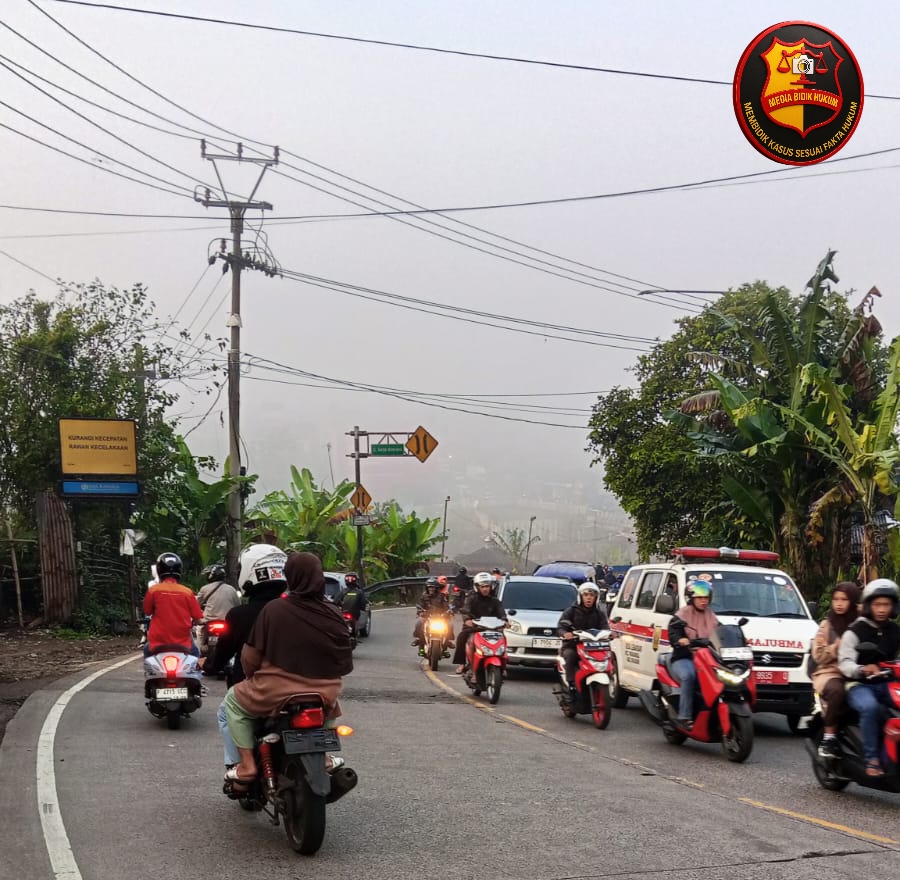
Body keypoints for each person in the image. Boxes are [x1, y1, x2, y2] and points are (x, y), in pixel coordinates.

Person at [222, 551, 353, 788]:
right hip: (325, 691)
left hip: (275, 690)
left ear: (290, 577)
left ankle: (247, 765)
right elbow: (345, 661)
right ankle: (324, 757)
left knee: (232, 702)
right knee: (332, 707)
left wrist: (251, 677)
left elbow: (250, 658)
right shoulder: (333, 612)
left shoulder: (275, 609)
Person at [205, 544, 288, 772]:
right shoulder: (298, 611)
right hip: (305, 688)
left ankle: (240, 765)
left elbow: (225, 655)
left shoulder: (241, 615)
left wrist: (210, 666)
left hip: (259, 691)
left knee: (226, 712)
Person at [838, 578, 900, 777]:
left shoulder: (895, 631)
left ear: (893, 606)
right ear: (868, 606)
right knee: (870, 707)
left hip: (887, 683)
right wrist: (862, 669)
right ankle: (872, 759)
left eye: (886, 604)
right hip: (859, 685)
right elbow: (845, 663)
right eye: (877, 604)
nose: (882, 609)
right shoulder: (855, 631)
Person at [811, 581, 861, 758]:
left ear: (853, 601)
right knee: (837, 691)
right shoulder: (827, 625)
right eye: (836, 599)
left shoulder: (862, 622)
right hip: (831, 672)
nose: (839, 604)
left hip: (860, 671)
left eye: (844, 599)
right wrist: (836, 646)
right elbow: (818, 656)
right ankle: (829, 738)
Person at [667, 578, 720, 729]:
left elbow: (720, 631)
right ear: (691, 598)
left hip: (707, 658)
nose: (703, 601)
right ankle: (684, 716)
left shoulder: (711, 615)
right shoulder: (683, 614)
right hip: (685, 657)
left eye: (706, 598)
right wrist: (680, 640)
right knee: (689, 676)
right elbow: (673, 631)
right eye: (700, 597)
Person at [142, 552, 203, 657]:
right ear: (179, 570)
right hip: (183, 643)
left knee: (147, 651)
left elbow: (147, 611)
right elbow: (198, 618)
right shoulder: (187, 592)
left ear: (159, 570)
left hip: (157, 642)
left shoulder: (153, 590)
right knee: (196, 654)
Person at [558, 582, 610, 696]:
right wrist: (566, 633)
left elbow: (605, 627)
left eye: (592, 595)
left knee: (608, 657)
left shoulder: (599, 614)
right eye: (586, 595)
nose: (588, 598)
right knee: (570, 655)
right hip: (572, 645)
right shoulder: (571, 611)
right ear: (580, 596)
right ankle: (571, 684)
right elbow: (561, 627)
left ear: (596, 598)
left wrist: (611, 634)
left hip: (593, 647)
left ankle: (610, 680)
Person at [453, 571, 509, 674]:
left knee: (503, 638)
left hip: (492, 628)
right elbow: (465, 610)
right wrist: (467, 620)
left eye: (487, 586)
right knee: (461, 637)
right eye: (482, 586)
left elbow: (501, 612)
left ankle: (503, 665)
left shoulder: (495, 601)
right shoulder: (471, 599)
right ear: (477, 587)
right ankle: (462, 664)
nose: (485, 589)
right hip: (474, 627)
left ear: (491, 587)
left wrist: (505, 621)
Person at [196, 565, 242, 654]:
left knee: (199, 631)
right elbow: (238, 606)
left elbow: (196, 605)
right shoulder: (232, 589)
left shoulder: (205, 588)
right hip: (227, 622)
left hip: (209, 622)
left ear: (211, 575)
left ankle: (201, 651)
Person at [412, 577, 451, 647]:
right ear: (427, 588)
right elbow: (420, 605)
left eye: (433, 587)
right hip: (427, 616)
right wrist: (420, 612)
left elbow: (446, 606)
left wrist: (447, 612)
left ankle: (447, 641)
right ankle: (418, 639)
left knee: (450, 625)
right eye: (429, 587)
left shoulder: (442, 596)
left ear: (436, 588)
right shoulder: (424, 596)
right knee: (418, 624)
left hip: (440, 617)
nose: (431, 589)